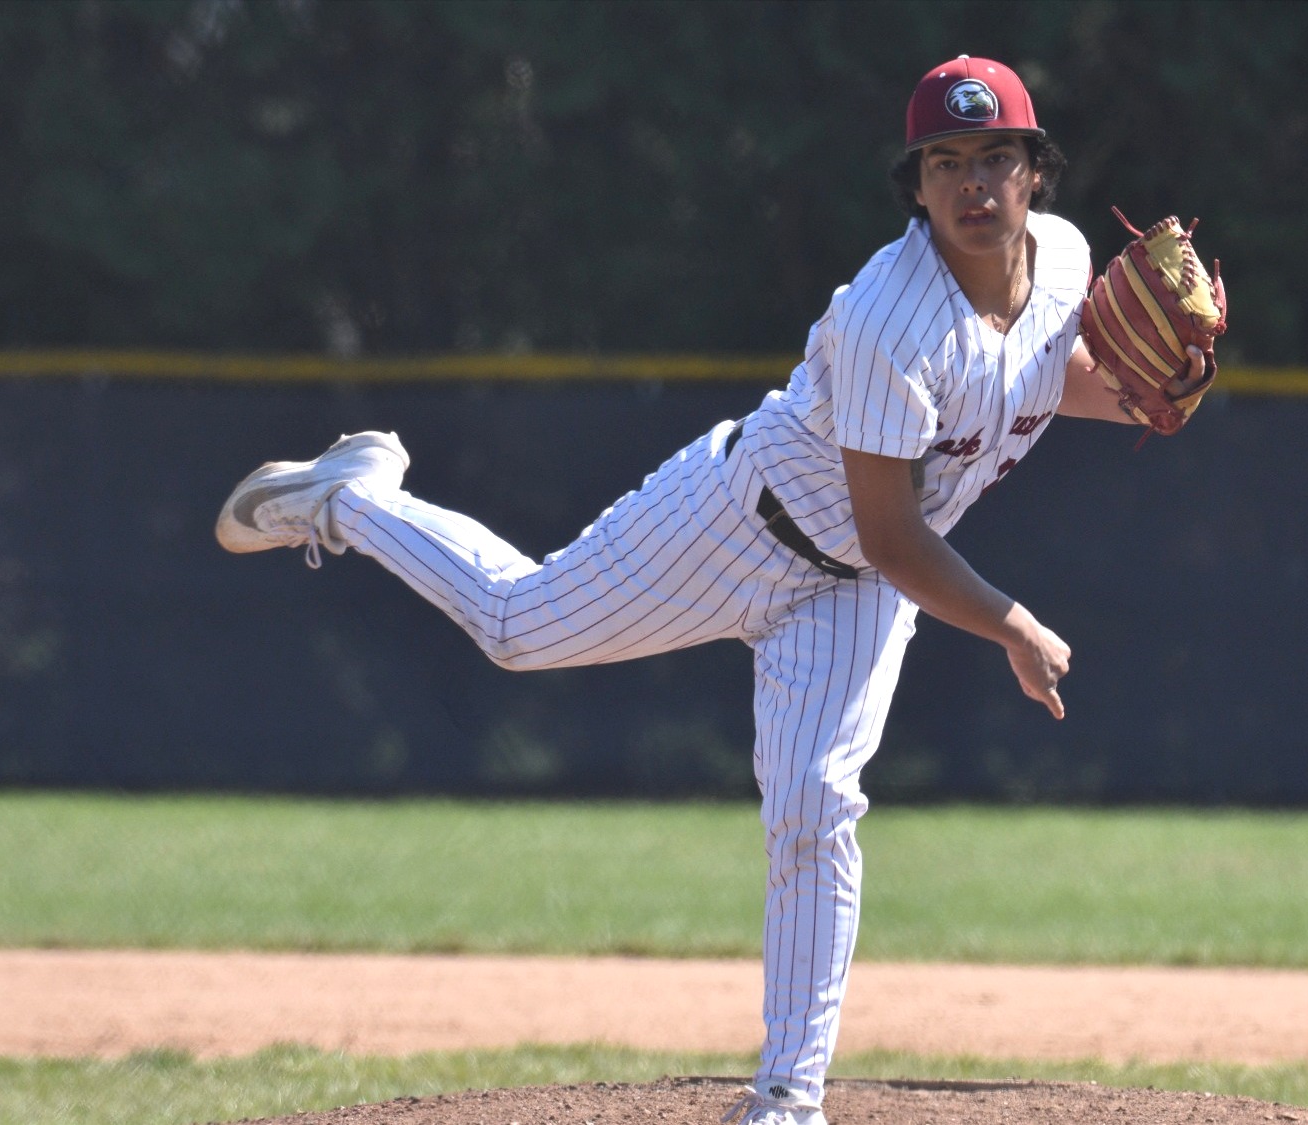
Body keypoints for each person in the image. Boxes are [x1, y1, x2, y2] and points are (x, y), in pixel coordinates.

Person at [218, 55, 1171, 1125]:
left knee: (815, 804)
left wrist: (1143, 397)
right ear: (915, 185)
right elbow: (895, 535)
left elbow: (1031, 382)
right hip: (739, 520)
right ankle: (353, 498)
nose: (973, 182)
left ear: (1035, 171)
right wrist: (1012, 625)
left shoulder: (1066, 265)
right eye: (945, 162)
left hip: (852, 591)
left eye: (994, 156)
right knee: (514, 626)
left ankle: (787, 1099)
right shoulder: (891, 319)